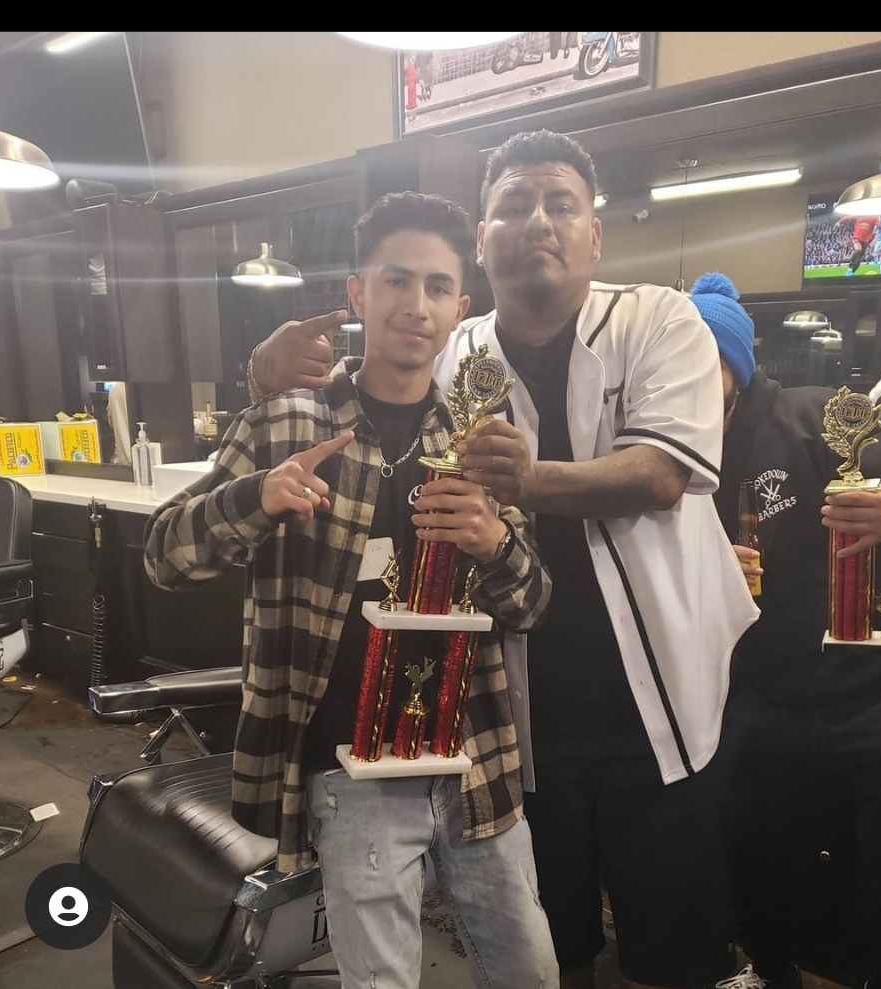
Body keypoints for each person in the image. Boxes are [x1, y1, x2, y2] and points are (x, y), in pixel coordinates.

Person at [246, 129, 761, 989]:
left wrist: (528, 479)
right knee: (553, 947)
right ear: (483, 243)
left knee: (671, 947)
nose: (538, 222)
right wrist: (262, 375)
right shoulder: (459, 348)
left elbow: (664, 473)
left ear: (594, 233)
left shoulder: (659, 318)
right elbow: (368, 392)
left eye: (560, 204)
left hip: (662, 705)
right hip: (513, 721)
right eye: (514, 206)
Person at [144, 191, 559, 989]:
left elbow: (533, 603)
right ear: (357, 293)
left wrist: (493, 541)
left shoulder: (478, 441)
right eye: (396, 280)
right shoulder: (285, 424)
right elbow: (164, 557)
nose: (416, 304)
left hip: (474, 760)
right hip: (350, 771)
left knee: (531, 974)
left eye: (437, 286)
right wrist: (257, 496)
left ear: (460, 309)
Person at [691, 270, 881, 989]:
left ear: (735, 366)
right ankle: (770, 971)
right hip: (766, 694)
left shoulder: (820, 414)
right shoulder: (668, 455)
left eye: (701, 361)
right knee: (754, 855)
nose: (685, 381)